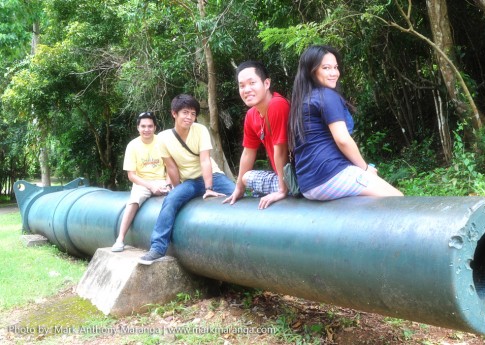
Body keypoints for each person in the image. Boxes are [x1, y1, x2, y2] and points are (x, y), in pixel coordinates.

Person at [289, 45, 403, 200]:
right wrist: (365, 168)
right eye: (326, 68)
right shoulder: (326, 96)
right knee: (396, 198)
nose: (334, 73)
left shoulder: (302, 100)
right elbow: (343, 139)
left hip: (308, 185)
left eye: (335, 67)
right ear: (311, 70)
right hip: (330, 175)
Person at [138, 94, 235, 265]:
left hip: (213, 177)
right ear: (174, 113)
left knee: (236, 193)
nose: (189, 117)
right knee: (171, 200)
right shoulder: (163, 138)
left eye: (192, 113)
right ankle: (157, 248)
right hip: (189, 182)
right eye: (185, 112)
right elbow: (172, 167)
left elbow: (205, 160)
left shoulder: (200, 130)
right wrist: (178, 189)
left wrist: (209, 188)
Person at [223, 61, 290, 209]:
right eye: (242, 85)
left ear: (266, 83)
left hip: (297, 177)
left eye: (252, 83)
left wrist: (282, 190)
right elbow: (248, 152)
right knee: (247, 178)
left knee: (248, 177)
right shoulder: (251, 115)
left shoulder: (277, 105)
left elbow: (282, 150)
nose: (246, 89)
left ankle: (287, 190)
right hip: (282, 176)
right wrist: (239, 189)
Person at [111, 112, 171, 252]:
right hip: (142, 182)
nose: (146, 129)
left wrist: (168, 185)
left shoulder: (162, 143)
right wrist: (150, 186)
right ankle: (120, 239)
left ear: (155, 127)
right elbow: (131, 175)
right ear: (138, 128)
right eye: (143, 126)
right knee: (134, 201)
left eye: (150, 126)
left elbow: (170, 168)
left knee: (174, 198)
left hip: (161, 181)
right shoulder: (132, 146)